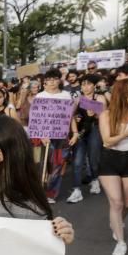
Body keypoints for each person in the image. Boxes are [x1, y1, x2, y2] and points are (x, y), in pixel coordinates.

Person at [98, 80, 128, 255]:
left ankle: (116, 223)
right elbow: (107, 141)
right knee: (116, 203)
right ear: (121, 94)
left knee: (127, 204)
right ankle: (121, 242)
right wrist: (127, 133)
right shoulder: (106, 115)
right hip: (110, 159)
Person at [35, 69, 78, 204]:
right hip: (46, 136)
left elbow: (70, 116)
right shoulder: (40, 97)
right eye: (49, 80)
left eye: (54, 79)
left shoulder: (66, 95)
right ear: (44, 82)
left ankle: (51, 193)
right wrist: (41, 135)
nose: (52, 82)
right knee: (44, 165)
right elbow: (36, 118)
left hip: (62, 135)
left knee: (58, 164)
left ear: (59, 80)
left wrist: (75, 132)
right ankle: (39, 191)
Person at [67, 74, 105, 203]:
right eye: (83, 84)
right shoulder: (78, 99)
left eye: (88, 84)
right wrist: (76, 119)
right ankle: (76, 190)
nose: (85, 87)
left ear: (94, 86)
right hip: (80, 132)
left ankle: (95, 180)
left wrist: (95, 114)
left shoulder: (99, 97)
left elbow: (104, 116)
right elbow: (70, 114)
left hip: (94, 130)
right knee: (77, 162)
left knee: (94, 159)